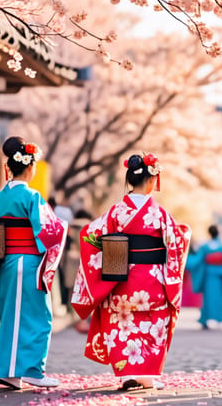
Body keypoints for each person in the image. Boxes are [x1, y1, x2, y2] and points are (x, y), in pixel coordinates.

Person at [71, 153, 191, 390]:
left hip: (121, 280)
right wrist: (185, 232)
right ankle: (148, 375)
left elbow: (89, 235)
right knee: (154, 322)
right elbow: (177, 241)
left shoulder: (116, 212)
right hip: (153, 280)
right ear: (151, 182)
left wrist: (111, 255)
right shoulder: (160, 214)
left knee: (121, 322)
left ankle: (127, 374)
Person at [0, 137, 68, 389]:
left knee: (11, 316)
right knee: (38, 316)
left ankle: (7, 370)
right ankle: (32, 370)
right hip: (30, 262)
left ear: (9, 166)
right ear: (30, 168)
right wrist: (62, 227)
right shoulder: (33, 197)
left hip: (7, 263)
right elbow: (48, 231)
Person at [189, 225, 222, 330]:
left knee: (208, 299)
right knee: (219, 298)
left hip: (208, 275)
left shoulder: (205, 246)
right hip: (219, 275)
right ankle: (218, 318)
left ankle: (205, 319)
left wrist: (186, 261)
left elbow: (198, 260)